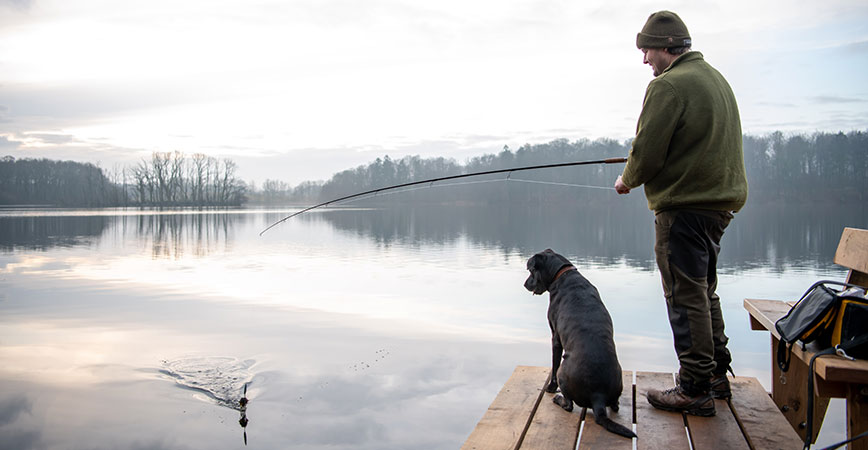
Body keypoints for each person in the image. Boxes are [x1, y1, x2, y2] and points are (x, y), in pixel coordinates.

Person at [614, 10, 748, 417]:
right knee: (703, 290)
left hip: (685, 208)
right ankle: (715, 377)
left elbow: (647, 150)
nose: (645, 60)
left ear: (667, 48)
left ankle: (693, 388)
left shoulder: (668, 86)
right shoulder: (714, 79)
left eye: (648, 50)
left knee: (684, 294)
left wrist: (627, 179)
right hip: (718, 206)